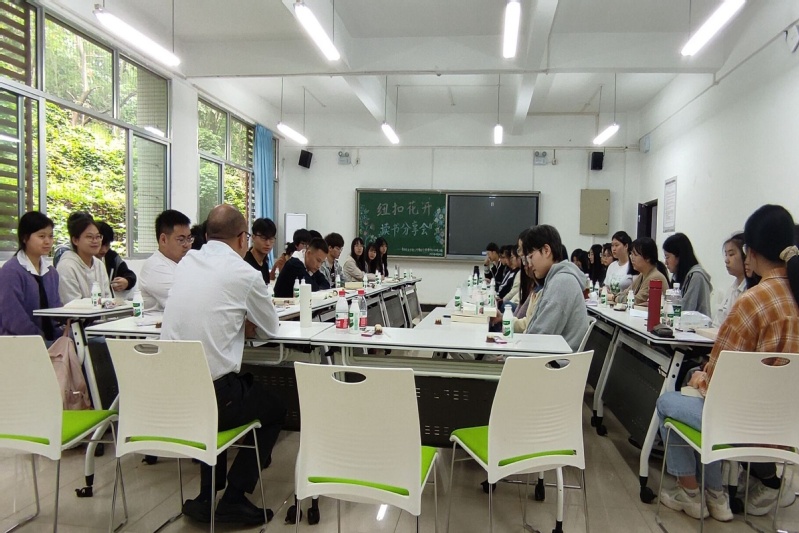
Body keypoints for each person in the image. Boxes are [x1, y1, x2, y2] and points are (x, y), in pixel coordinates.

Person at [657, 204, 799, 522]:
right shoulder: (794, 295)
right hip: (787, 426)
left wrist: (698, 377)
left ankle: (694, 493)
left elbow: (716, 380)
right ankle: (716, 496)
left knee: (670, 401)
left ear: (752, 252)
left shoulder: (753, 301)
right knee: (702, 405)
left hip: (741, 423)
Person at [161, 205, 284, 525]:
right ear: (243, 239)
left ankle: (206, 497)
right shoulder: (244, 273)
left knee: (217, 397)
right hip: (213, 397)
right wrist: (243, 322)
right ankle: (234, 498)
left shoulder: (187, 263)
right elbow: (271, 328)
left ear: (205, 234)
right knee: (275, 409)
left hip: (171, 395)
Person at [521, 225, 589, 351]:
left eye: (531, 256)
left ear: (546, 250)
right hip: (549, 357)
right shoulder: (556, 279)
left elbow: (541, 337)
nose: (529, 264)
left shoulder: (562, 282)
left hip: (555, 361)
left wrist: (512, 355)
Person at [0, 211, 62, 339]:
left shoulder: (51, 273)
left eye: (50, 236)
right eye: (41, 236)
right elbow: (13, 318)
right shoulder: (11, 271)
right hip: (20, 341)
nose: (48, 241)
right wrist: (41, 339)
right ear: (24, 238)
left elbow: (56, 311)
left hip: (51, 339)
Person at [138, 209, 192, 314]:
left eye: (189, 239)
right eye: (181, 240)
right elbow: (186, 301)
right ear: (163, 240)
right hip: (155, 324)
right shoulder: (155, 267)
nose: (187, 245)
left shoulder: (184, 263)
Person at [56, 212, 112, 304]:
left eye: (98, 237)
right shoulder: (66, 266)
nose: (95, 241)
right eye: (89, 237)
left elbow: (108, 298)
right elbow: (72, 304)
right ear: (75, 240)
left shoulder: (99, 264)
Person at [663, 233, 713, 316]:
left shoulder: (696, 276)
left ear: (679, 256)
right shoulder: (679, 275)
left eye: (667, 257)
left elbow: (686, 309)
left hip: (695, 323)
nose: (665, 262)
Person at [615, 237, 669, 306]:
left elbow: (637, 300)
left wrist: (614, 298)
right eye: (631, 254)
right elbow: (626, 292)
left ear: (647, 258)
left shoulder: (655, 277)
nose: (631, 257)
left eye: (635, 254)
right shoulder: (642, 274)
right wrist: (617, 296)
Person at [713, 233, 747, 327]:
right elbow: (717, 322)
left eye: (731, 254)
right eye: (726, 255)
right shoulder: (733, 288)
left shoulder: (751, 289)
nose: (726, 260)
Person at [96, 221, 136, 293]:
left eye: (107, 245)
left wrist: (126, 281)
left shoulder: (112, 257)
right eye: (101, 245)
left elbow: (129, 274)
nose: (104, 250)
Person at [243, 217, 276, 284]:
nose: (268, 243)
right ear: (253, 238)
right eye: (263, 238)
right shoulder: (246, 263)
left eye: (271, 238)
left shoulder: (265, 264)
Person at [604, 231, 634, 297]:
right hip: (610, 301)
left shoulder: (633, 265)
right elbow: (606, 287)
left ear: (626, 246)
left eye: (616, 245)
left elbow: (635, 289)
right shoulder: (612, 266)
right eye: (612, 246)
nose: (613, 249)